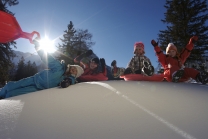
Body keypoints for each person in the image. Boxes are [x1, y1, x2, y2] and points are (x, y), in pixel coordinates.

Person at [0, 37, 84, 99]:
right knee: (10, 86)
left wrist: (69, 80)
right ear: (71, 66)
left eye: (75, 71)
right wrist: (38, 46)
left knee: (12, 95)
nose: (73, 70)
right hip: (35, 79)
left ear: (75, 75)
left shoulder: (69, 79)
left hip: (38, 89)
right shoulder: (59, 67)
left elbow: (72, 81)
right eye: (74, 68)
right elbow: (47, 58)